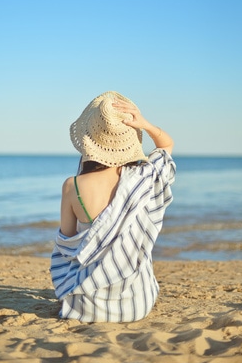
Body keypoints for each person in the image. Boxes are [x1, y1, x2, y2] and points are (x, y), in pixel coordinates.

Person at [50, 90, 176, 322]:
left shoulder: (72, 186)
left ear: (90, 138)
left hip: (85, 306)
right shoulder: (144, 177)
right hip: (135, 304)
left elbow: (66, 247)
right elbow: (166, 145)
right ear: (130, 137)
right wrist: (145, 123)